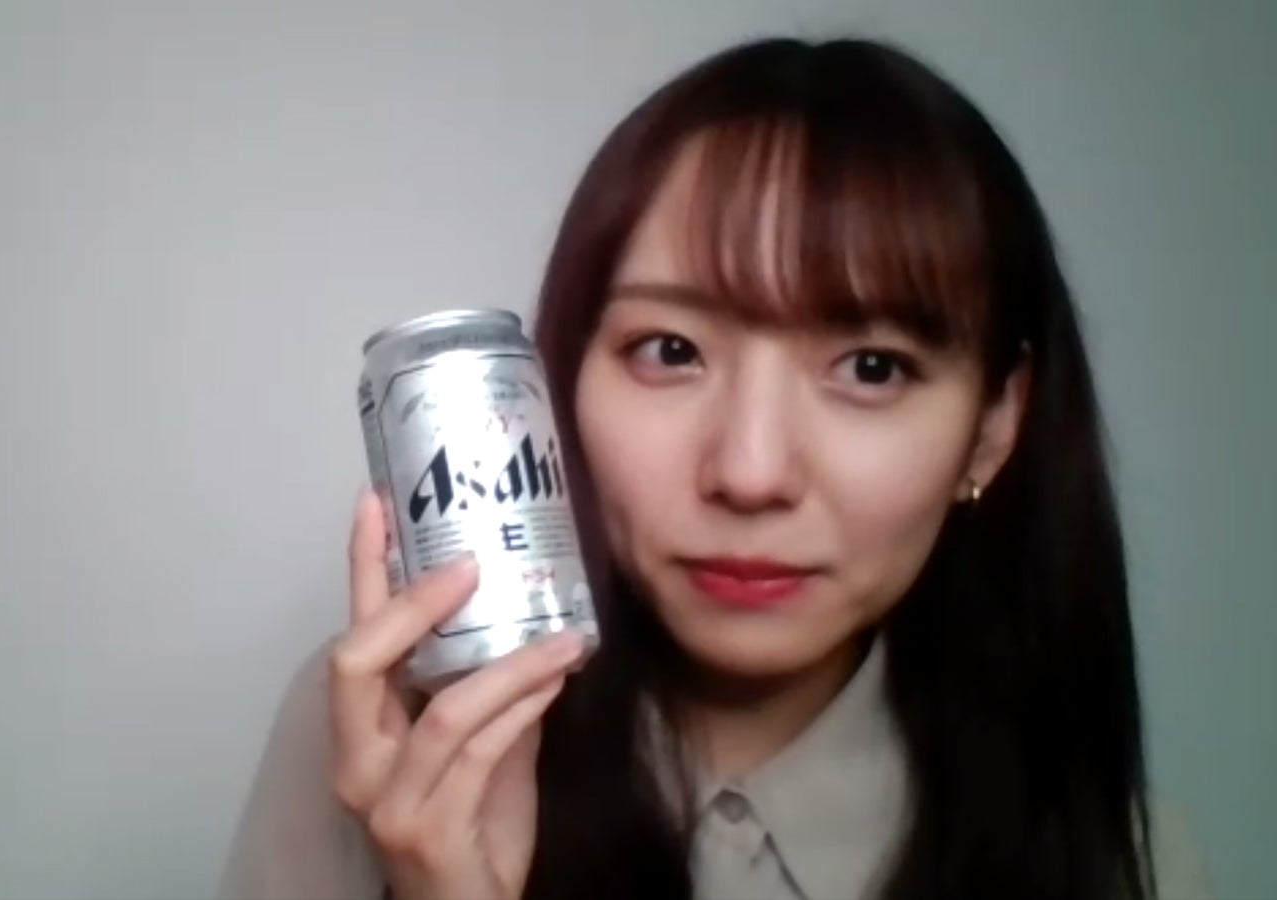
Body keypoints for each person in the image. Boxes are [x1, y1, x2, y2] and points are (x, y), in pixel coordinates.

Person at [217, 36, 1213, 900]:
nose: (749, 472)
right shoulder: (381, 748)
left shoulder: (1131, 866)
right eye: (670, 351)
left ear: (992, 428)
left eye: (871, 368)